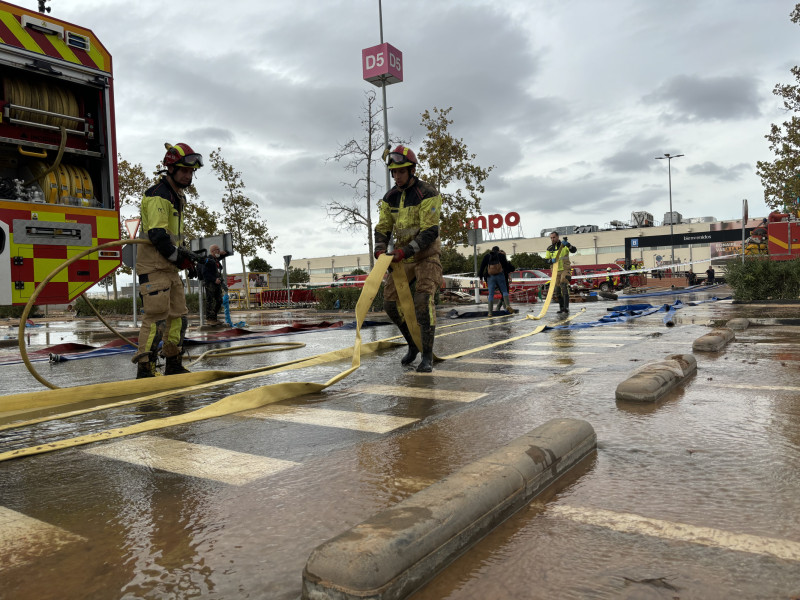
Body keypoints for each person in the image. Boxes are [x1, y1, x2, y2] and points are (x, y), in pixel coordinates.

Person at [132, 142, 203, 378]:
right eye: (183, 170)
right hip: (154, 266)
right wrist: (179, 258)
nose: (188, 175)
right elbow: (158, 236)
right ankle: (146, 369)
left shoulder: (175, 196)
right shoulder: (158, 195)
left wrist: (185, 258)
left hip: (168, 268)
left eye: (191, 171)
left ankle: (173, 363)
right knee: (155, 319)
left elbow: (171, 239)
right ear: (170, 169)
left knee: (177, 318)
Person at [374, 145, 442, 373]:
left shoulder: (427, 193)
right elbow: (383, 227)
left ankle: (427, 357)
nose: (396, 176)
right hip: (402, 258)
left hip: (426, 255)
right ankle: (412, 345)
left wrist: (405, 251)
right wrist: (380, 248)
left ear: (411, 170)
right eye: (393, 173)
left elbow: (430, 231)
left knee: (423, 303)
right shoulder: (390, 197)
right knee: (390, 305)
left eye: (401, 171)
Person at [479, 246, 517, 316]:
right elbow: (506, 266)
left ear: (492, 250)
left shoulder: (487, 256)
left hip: (490, 277)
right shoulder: (501, 256)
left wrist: (480, 278)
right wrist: (508, 273)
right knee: (504, 291)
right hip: (500, 276)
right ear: (498, 250)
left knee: (491, 294)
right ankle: (508, 306)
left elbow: (482, 267)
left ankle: (490, 312)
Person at [545, 232, 576, 314]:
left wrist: (568, 245)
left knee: (563, 284)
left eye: (554, 237)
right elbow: (546, 260)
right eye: (551, 238)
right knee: (557, 289)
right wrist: (550, 260)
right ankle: (562, 308)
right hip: (555, 271)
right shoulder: (549, 248)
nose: (552, 239)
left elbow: (574, 250)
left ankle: (566, 307)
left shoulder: (564, 246)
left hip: (565, 269)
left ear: (558, 237)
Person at [202, 244, 232, 326]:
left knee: (219, 300)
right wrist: (214, 279)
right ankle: (210, 319)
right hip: (210, 284)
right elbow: (205, 273)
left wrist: (223, 252)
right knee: (210, 301)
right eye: (217, 250)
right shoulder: (208, 260)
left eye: (219, 249)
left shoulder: (216, 260)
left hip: (218, 283)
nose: (219, 251)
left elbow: (227, 253)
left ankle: (214, 318)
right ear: (212, 251)